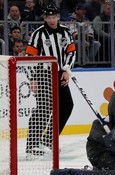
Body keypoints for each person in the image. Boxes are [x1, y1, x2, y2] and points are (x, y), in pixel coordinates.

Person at [25, 2, 76, 155]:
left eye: (54, 17)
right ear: (45, 18)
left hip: (60, 73)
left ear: (58, 17)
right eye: (49, 17)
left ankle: (48, 139)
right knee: (44, 108)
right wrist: (32, 78)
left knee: (68, 105)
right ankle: (32, 144)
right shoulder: (38, 34)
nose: (52, 20)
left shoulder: (66, 32)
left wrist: (67, 69)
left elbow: (71, 52)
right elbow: (29, 57)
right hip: (43, 75)